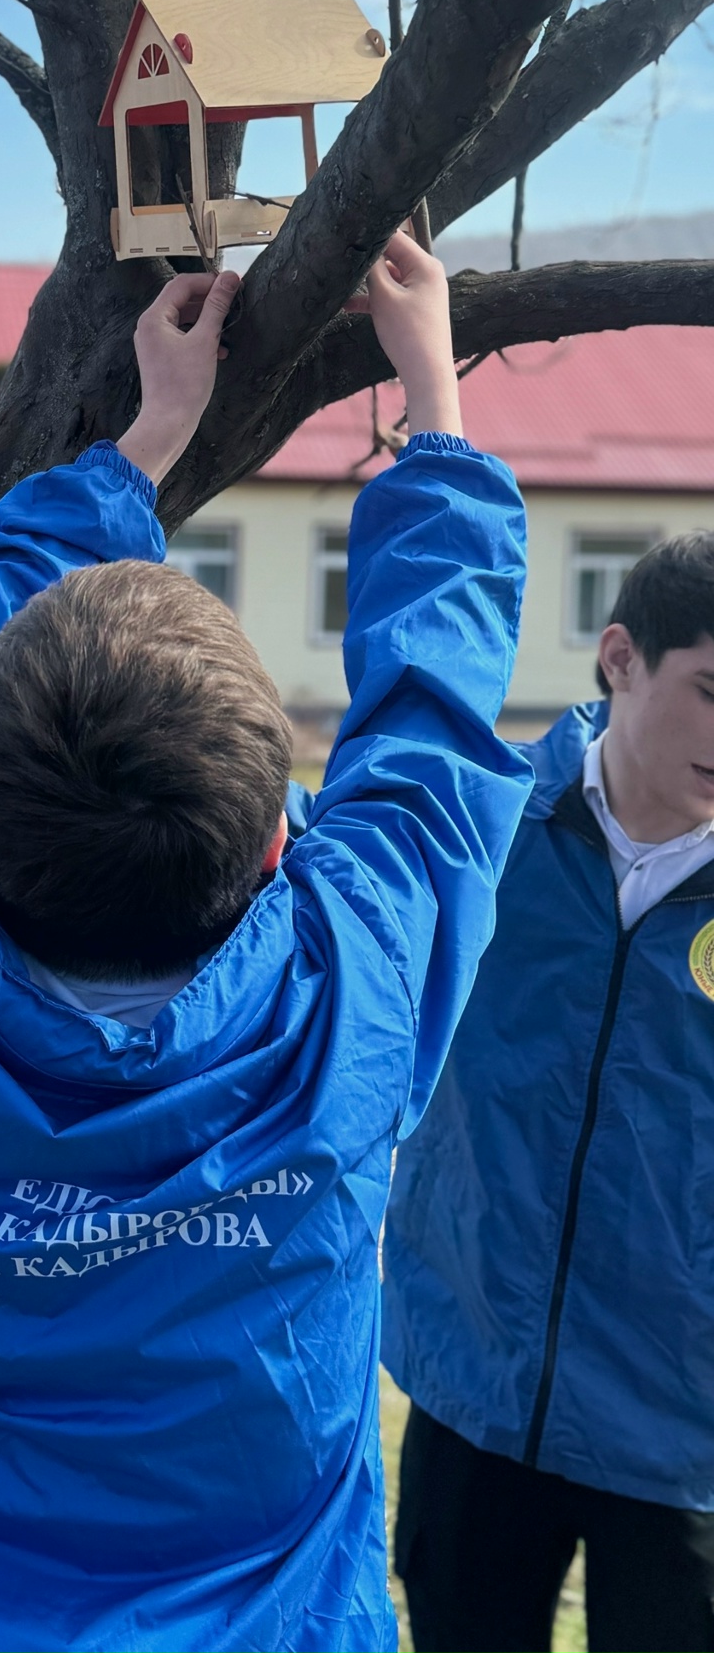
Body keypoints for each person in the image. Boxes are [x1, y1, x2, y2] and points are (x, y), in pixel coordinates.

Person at [0, 231, 531, 1653]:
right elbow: (432, 731)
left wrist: (141, 447)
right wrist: (431, 399)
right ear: (276, 846)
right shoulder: (349, 991)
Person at [382, 529, 714, 1653]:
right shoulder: (477, 824)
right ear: (620, 657)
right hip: (474, 1383)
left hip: (682, 1427)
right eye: (711, 691)